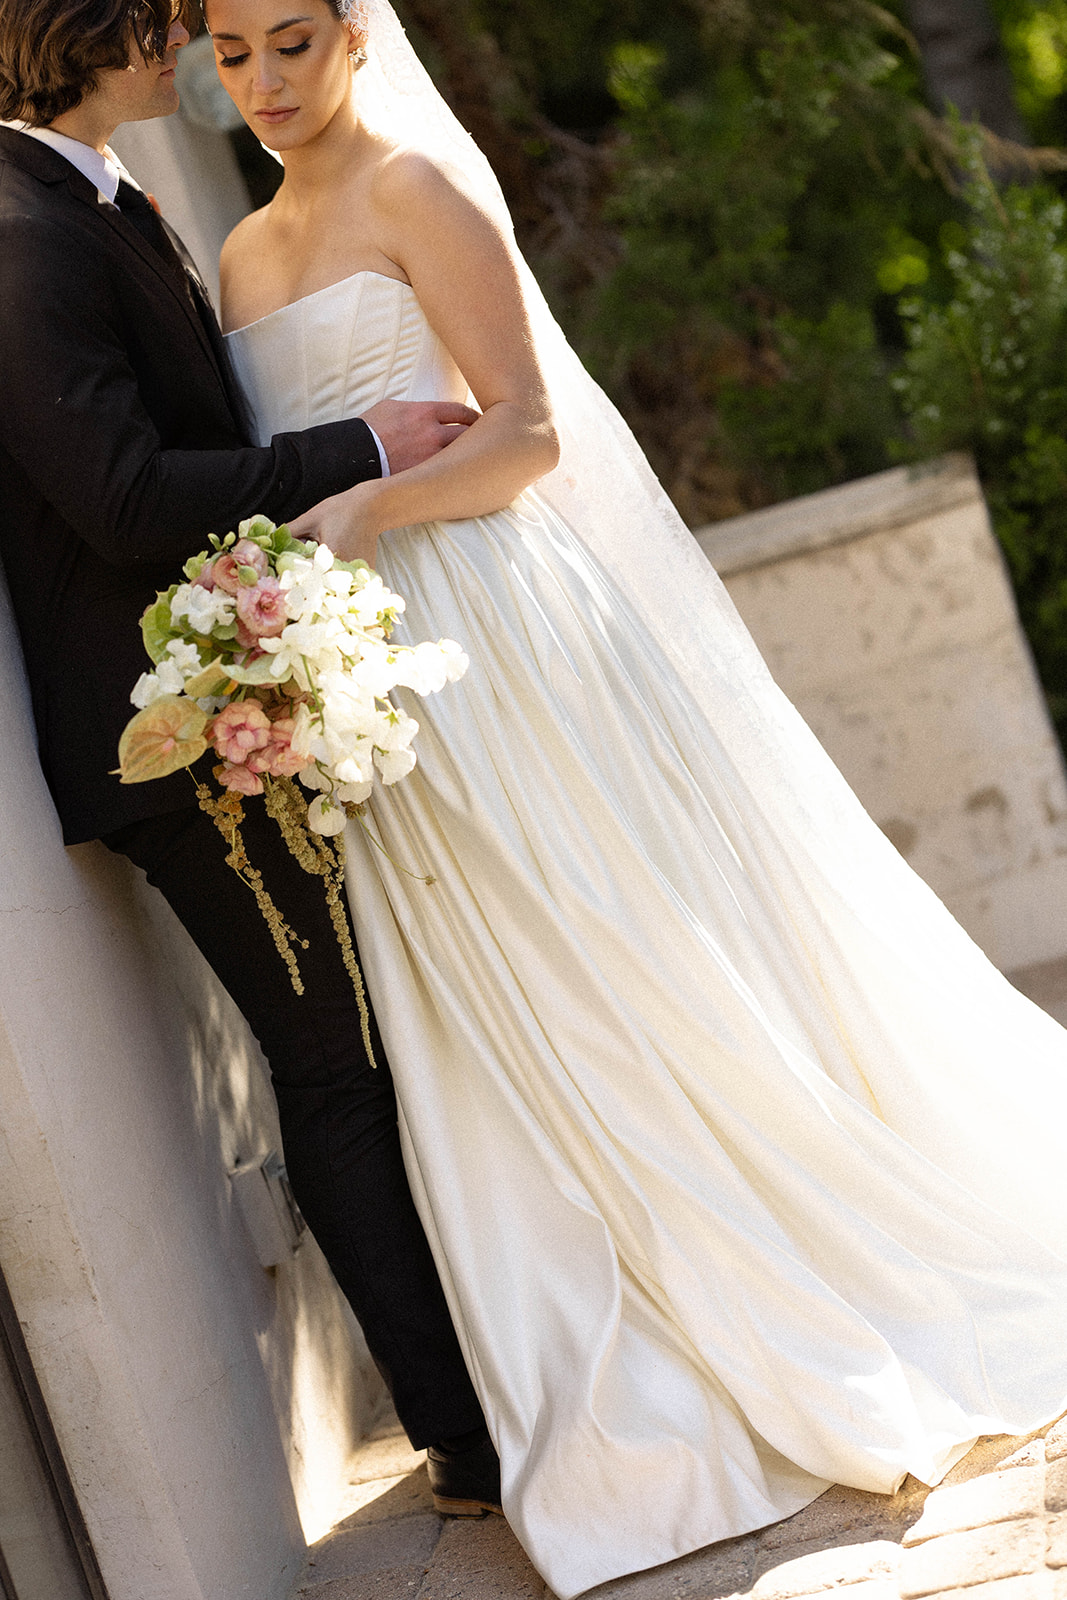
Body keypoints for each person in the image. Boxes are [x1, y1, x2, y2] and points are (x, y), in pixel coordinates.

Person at [204, 0, 1067, 1595]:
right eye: (233, 51)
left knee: (616, 962)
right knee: (483, 1007)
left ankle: (763, 1291)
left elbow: (525, 438)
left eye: (291, 44)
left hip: (505, 639)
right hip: (379, 683)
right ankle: (601, 1356)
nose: (261, 83)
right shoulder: (240, 257)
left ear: (353, 38)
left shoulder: (419, 193)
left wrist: (374, 514)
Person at [0, 0, 504, 1516]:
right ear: (84, 29)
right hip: (174, 748)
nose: (192, 49)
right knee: (334, 1065)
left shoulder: (95, 193)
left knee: (374, 1043)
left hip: (243, 697)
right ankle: (465, 1439)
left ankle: (493, 1376)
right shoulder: (20, 232)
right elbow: (129, 494)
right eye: (167, 23)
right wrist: (363, 448)